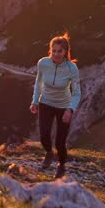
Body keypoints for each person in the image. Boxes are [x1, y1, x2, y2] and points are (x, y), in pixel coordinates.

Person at [29, 34, 81, 178]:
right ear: (50, 50)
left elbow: (77, 92)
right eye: (54, 50)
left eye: (60, 51)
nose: (56, 54)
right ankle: (49, 153)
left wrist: (70, 110)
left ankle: (61, 165)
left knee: (60, 141)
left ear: (65, 52)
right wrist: (34, 101)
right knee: (44, 136)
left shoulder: (72, 68)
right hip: (45, 103)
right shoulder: (43, 63)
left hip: (64, 106)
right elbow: (38, 83)